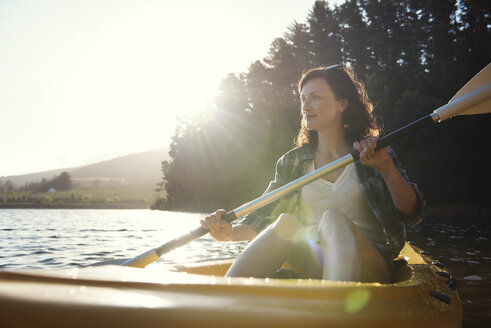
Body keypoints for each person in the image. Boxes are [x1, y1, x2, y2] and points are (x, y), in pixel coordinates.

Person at [200, 64, 425, 283]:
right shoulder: (293, 162)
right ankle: (221, 301)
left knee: (333, 218)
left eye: (316, 97)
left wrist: (386, 167)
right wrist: (228, 233)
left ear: (342, 104)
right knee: (286, 223)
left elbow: (413, 213)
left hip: (370, 266)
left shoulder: (373, 153)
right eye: (303, 98)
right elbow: (261, 216)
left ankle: (332, 309)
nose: (306, 106)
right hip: (313, 265)